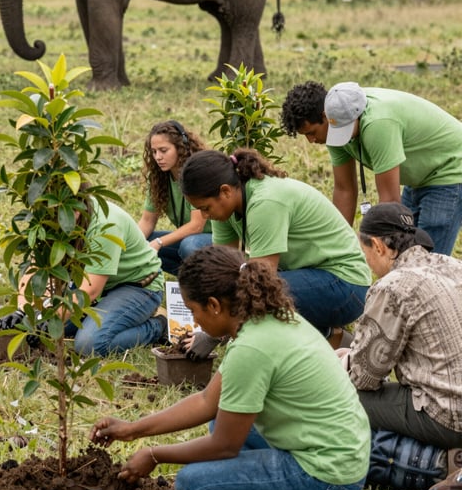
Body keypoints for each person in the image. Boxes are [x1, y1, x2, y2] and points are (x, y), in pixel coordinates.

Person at [90, 245, 369, 490]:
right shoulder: (270, 318)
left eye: (194, 311)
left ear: (213, 305)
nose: (195, 322)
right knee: (219, 419)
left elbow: (224, 446)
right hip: (342, 454)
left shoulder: (252, 347)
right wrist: (133, 430)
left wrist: (155, 455)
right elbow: (207, 401)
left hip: (328, 479)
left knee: (193, 486)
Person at [179, 148, 371, 355]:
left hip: (346, 284)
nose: (204, 216)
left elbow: (259, 284)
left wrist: (214, 334)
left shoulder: (266, 202)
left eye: (206, 208)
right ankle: (334, 339)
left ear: (225, 191)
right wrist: (209, 318)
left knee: (262, 295)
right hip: (309, 275)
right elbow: (220, 272)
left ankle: (334, 342)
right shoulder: (227, 206)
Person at [280, 80, 462, 255]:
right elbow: (345, 190)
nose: (311, 141)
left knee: (426, 260)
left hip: (450, 168)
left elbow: (390, 201)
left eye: (311, 133)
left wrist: (369, 248)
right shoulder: (336, 124)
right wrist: (336, 246)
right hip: (421, 176)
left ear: (325, 117)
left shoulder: (378, 123)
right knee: (404, 253)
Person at [341, 203, 462, 450]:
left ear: (378, 246)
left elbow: (364, 378)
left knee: (339, 394)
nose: (369, 264)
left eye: (366, 254)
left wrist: (343, 361)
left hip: (448, 418)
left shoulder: (393, 286)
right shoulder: (452, 265)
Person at [0, 198, 166, 356]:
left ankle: (157, 326)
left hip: (137, 286)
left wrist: (52, 318)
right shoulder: (47, 218)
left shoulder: (105, 225)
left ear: (77, 210)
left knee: (89, 344)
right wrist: (22, 310)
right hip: (93, 284)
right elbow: (37, 267)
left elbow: (90, 291)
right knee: (47, 324)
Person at [137, 120, 212, 275]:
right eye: (154, 151)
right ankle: (189, 280)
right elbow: (147, 221)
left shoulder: (197, 174)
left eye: (163, 150)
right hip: (190, 241)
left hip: (217, 241)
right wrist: (130, 246)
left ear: (181, 147)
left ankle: (208, 280)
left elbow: (196, 226)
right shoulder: (159, 177)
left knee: (189, 246)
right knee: (141, 242)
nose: (158, 157)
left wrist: (159, 242)